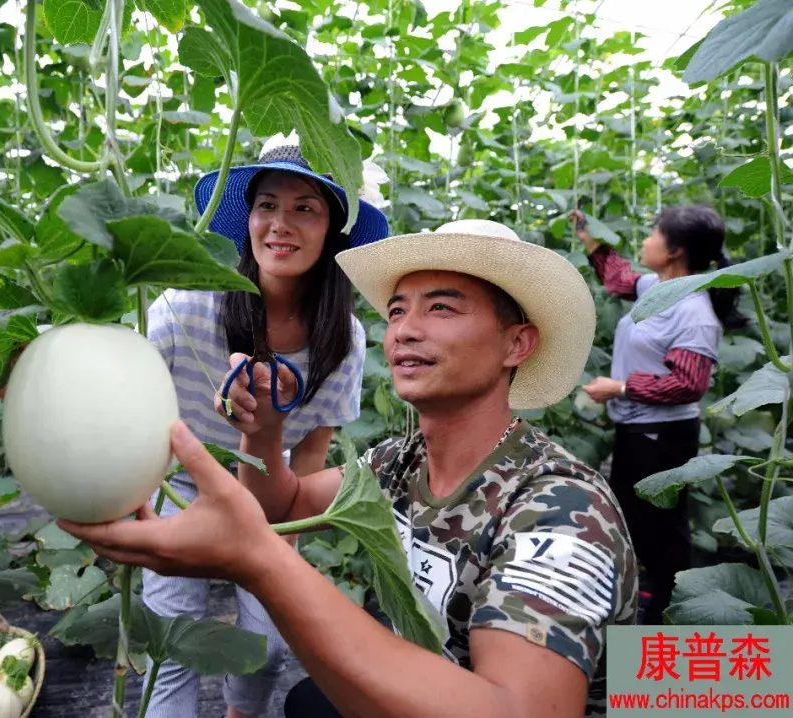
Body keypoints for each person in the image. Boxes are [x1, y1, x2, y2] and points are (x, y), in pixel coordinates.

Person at [60, 219, 640, 718]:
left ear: (518, 344)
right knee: (308, 701)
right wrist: (265, 430)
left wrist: (259, 562)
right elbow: (280, 507)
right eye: (396, 310)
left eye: (441, 307)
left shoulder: (561, 506)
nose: (405, 330)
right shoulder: (399, 461)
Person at [139, 134, 391, 718]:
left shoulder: (342, 337)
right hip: (179, 484)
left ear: (334, 230)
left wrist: (279, 545)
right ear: (248, 219)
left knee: (267, 647)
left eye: (305, 208)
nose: (280, 224)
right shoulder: (185, 305)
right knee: (169, 645)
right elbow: (139, 414)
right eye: (267, 205)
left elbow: (310, 455)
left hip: (271, 500)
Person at [569, 206, 747, 626]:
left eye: (653, 233)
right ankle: (651, 602)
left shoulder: (693, 311)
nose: (645, 239)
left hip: (663, 436)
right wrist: (589, 238)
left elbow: (688, 384)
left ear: (675, 251)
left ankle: (670, 615)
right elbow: (619, 279)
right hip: (639, 428)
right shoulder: (659, 286)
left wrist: (619, 386)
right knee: (635, 519)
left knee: (662, 529)